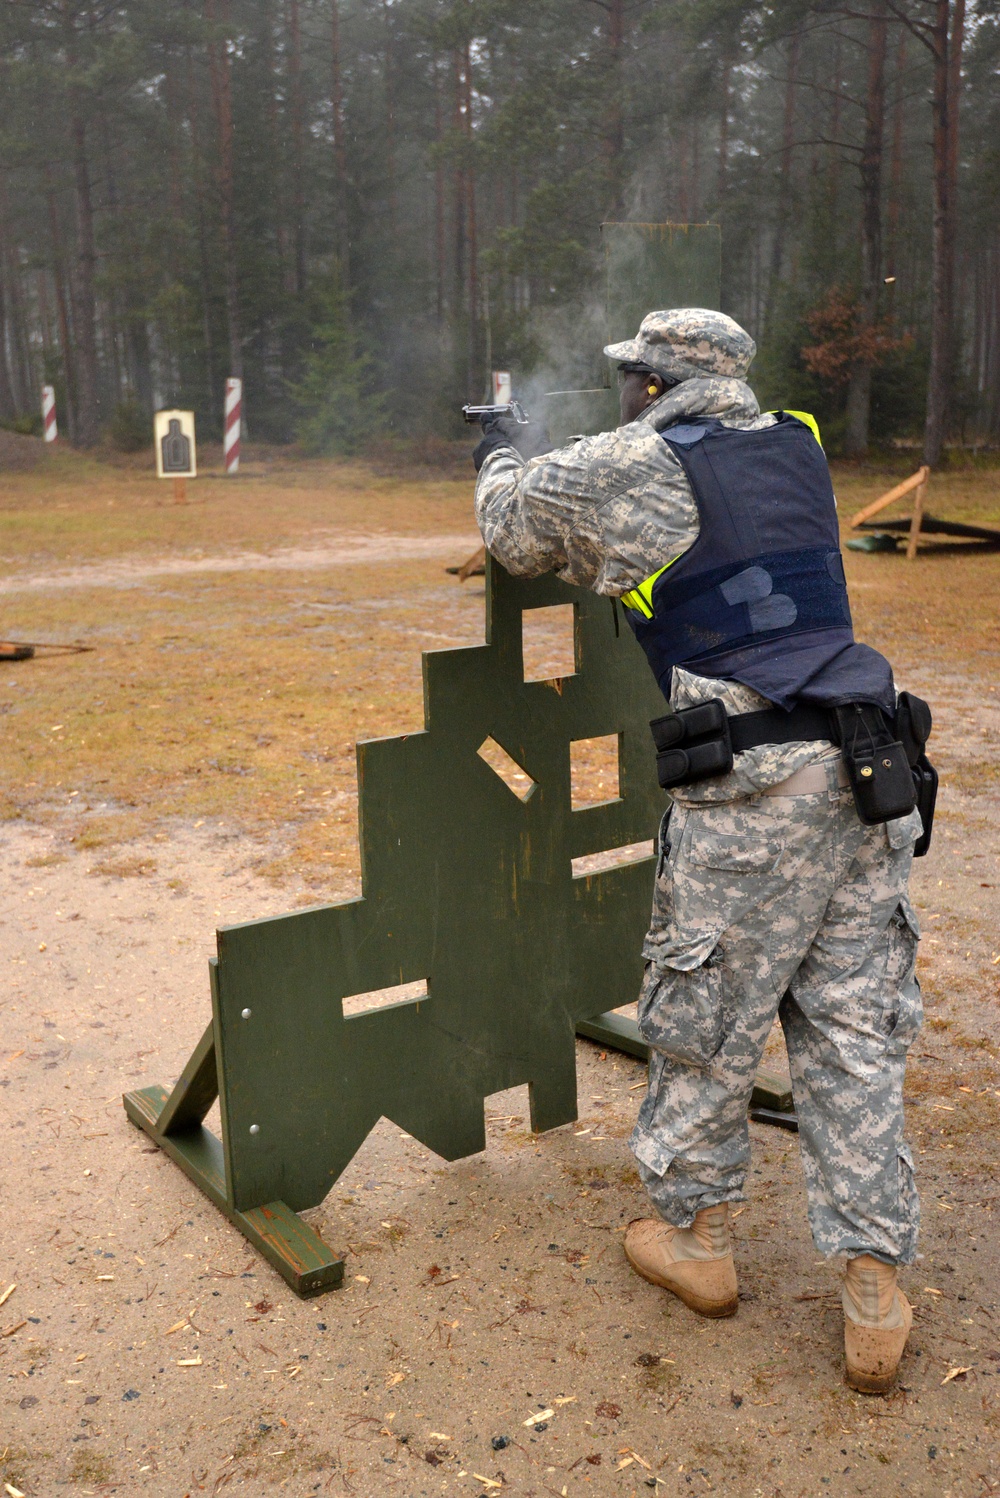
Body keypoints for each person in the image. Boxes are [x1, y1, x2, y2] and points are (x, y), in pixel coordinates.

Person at [472, 309, 926, 1395]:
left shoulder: (632, 459)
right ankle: (873, 1293)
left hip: (755, 785)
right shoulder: (800, 442)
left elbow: (512, 522)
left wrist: (494, 440)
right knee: (853, 1027)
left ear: (645, 383)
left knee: (705, 1022)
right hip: (868, 764)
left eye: (631, 379)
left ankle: (700, 1243)